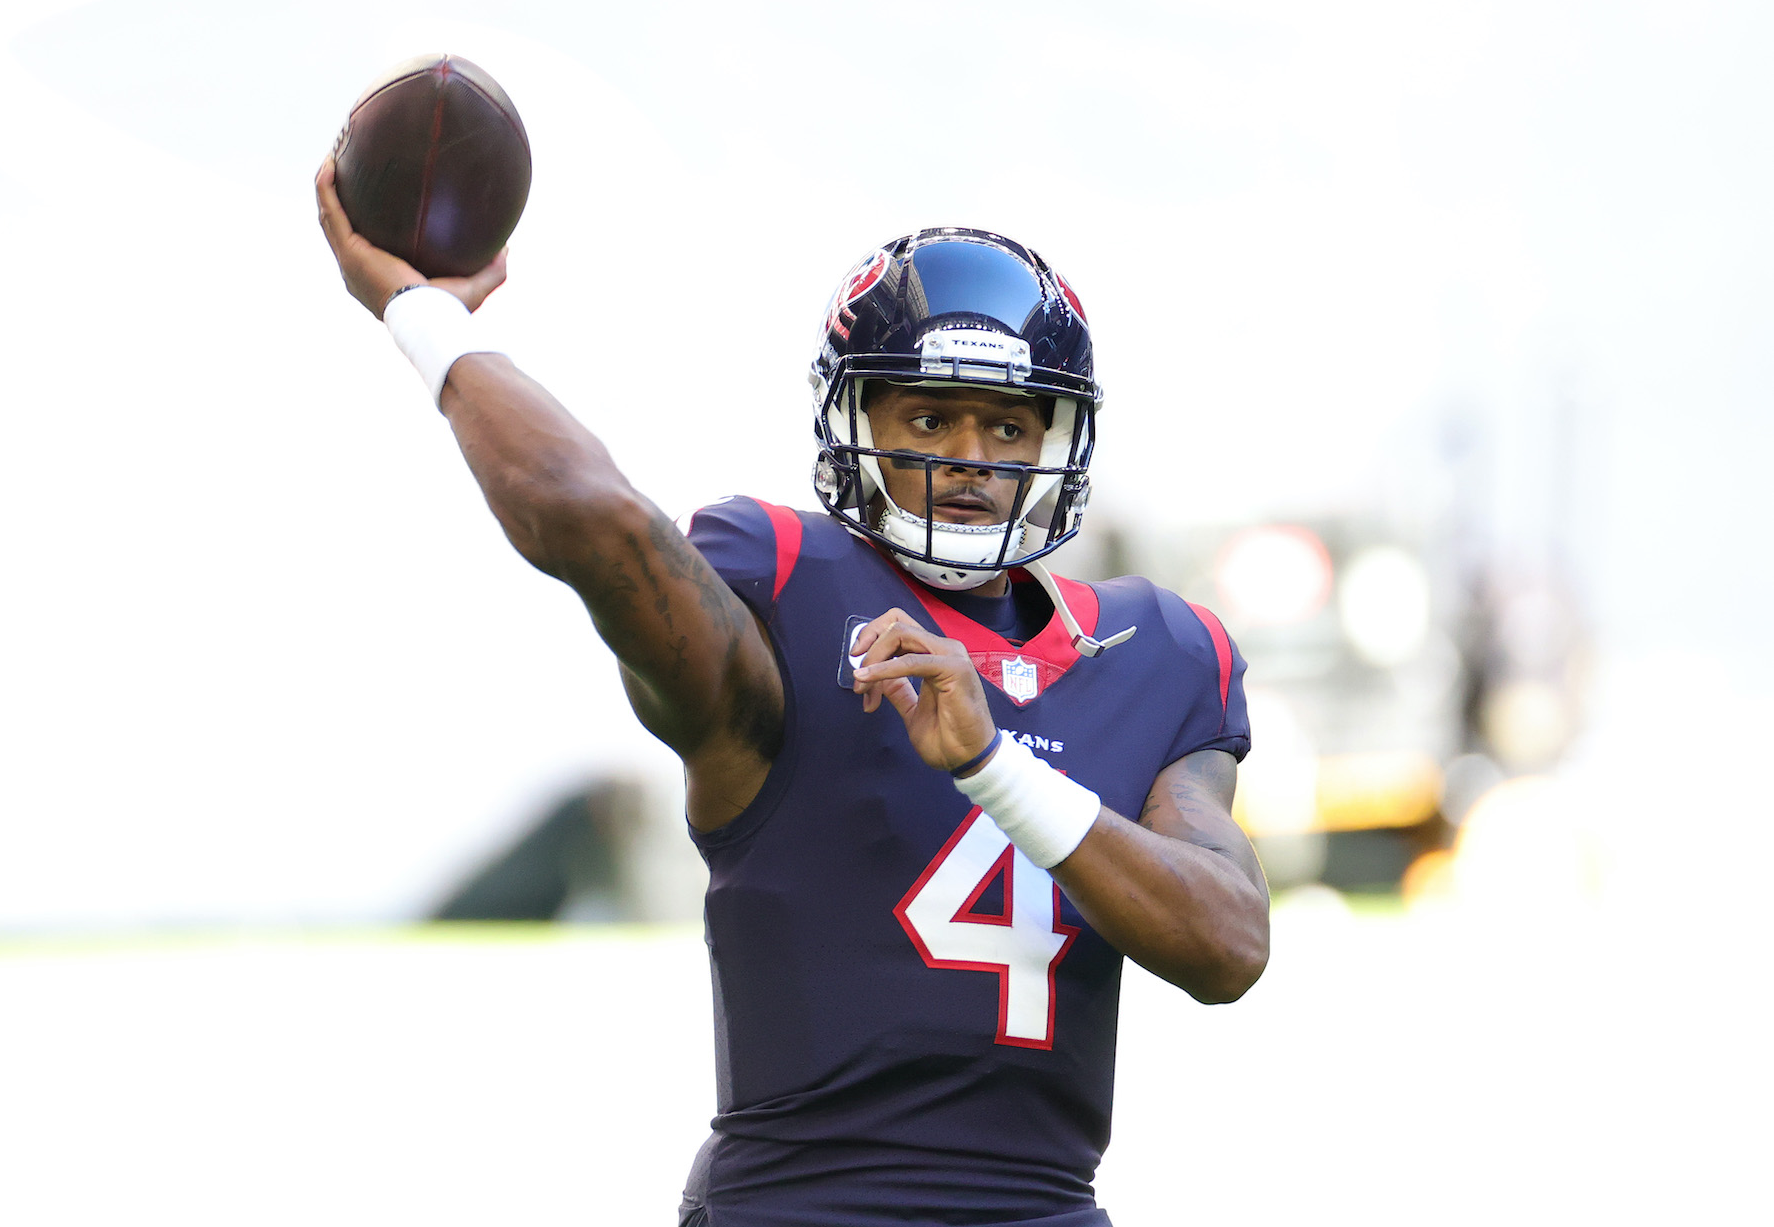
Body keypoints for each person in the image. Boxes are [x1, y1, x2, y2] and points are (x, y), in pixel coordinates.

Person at [316, 160, 1269, 1227]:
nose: (968, 458)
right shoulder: (781, 585)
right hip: (804, 1205)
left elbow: (1226, 947)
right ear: (855, 421)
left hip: (1045, 1210)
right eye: (927, 418)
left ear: (1053, 444)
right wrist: (425, 318)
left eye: (1006, 427)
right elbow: (588, 516)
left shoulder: (1157, 649)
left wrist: (992, 768)